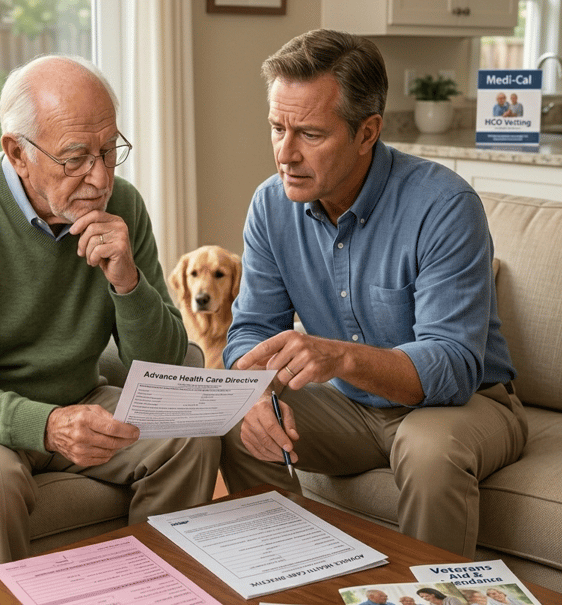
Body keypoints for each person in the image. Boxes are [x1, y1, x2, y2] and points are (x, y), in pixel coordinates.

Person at [0, 54, 221, 580]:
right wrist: (48, 425)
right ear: (18, 152)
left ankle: (151, 590)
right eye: (76, 157)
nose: (100, 177)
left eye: (109, 151)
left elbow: (165, 368)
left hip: (76, 395)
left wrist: (128, 282)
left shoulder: (124, 206)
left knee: (191, 437)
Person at [220, 28, 528, 559]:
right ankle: (292, 577)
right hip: (351, 407)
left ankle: (429, 593)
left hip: (467, 404)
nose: (285, 154)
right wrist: (251, 396)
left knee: (428, 448)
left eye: (310, 134)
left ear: (368, 132)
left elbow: (453, 366)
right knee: (232, 416)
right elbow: (251, 330)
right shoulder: (270, 206)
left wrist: (339, 356)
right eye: (277, 128)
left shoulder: (444, 205)